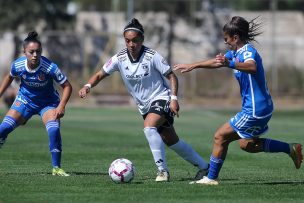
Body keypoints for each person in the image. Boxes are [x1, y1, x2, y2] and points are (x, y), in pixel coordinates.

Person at [174, 16, 303, 185]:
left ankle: (211, 178)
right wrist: (193, 65)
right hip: (262, 108)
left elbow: (252, 66)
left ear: (235, 37)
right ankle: (291, 149)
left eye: (226, 39)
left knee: (220, 136)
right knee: (247, 145)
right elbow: (217, 62)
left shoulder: (248, 52)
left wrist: (230, 63)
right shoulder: (235, 53)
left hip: (255, 110)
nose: (225, 42)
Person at [79, 18, 209, 182]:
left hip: (161, 98)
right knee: (171, 141)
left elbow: (171, 76)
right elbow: (99, 74)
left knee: (148, 127)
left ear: (142, 40)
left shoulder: (152, 56)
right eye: (128, 41)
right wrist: (87, 86)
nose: (131, 44)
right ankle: (204, 167)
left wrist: (174, 99)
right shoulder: (119, 59)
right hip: (144, 106)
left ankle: (162, 171)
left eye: (135, 40)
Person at [0, 31, 72, 176]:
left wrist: (61, 105)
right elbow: (9, 77)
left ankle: (56, 168)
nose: (35, 55)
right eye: (31, 52)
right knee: (3, 129)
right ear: (24, 52)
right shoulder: (18, 65)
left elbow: (67, 86)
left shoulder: (50, 67)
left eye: (38, 51)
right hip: (25, 101)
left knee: (53, 130)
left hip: (48, 103)